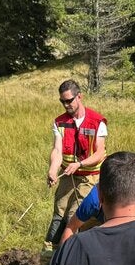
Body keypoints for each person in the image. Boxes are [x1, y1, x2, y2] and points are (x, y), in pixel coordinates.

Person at [43, 79, 108, 254]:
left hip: (90, 176)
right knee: (60, 210)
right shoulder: (59, 122)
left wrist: (79, 164)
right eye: (62, 101)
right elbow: (57, 150)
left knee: (76, 214)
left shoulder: (97, 122)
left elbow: (99, 153)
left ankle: (72, 254)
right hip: (67, 174)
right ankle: (51, 251)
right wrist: (52, 170)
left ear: (79, 97)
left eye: (69, 101)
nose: (66, 105)